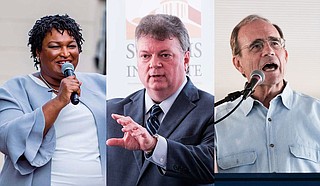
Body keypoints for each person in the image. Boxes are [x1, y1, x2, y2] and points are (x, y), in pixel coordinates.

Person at [106, 14, 214, 186]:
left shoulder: (214, 109)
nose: (154, 64)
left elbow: (213, 166)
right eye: (145, 56)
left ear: (186, 59)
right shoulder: (111, 112)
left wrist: (155, 146)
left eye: (165, 55)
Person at [0, 14, 106, 185]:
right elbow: (7, 137)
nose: (65, 53)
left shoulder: (101, 84)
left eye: (71, 46)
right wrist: (59, 101)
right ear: (38, 52)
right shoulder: (15, 89)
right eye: (55, 46)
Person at [214, 14, 320, 173]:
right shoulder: (217, 121)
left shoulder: (317, 113)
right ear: (238, 64)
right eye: (256, 46)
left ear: (285, 55)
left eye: (275, 43)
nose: (269, 51)